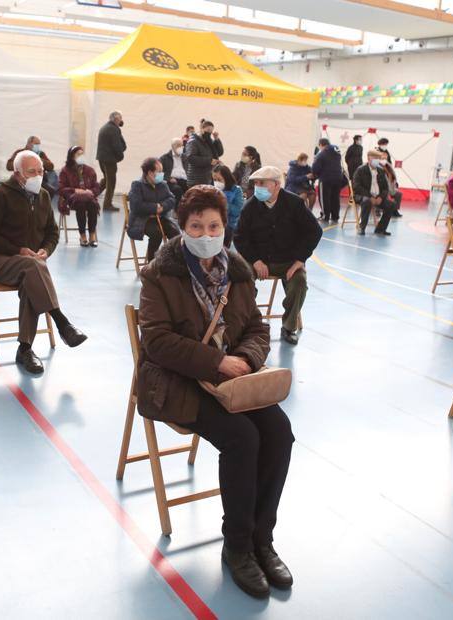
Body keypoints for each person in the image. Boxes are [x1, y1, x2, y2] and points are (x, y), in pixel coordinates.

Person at [137, 185, 295, 599]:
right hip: (179, 380)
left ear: (225, 227)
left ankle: (263, 539)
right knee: (243, 438)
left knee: (279, 431)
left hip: (233, 380)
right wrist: (216, 363)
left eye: (213, 226)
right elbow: (156, 341)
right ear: (182, 228)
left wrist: (243, 357)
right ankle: (238, 546)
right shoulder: (161, 273)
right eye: (196, 226)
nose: (205, 233)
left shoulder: (237, 271)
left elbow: (258, 328)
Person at [0, 150, 87, 374]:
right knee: (32, 268)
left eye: (41, 171)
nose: (38, 175)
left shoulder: (44, 196)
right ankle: (61, 321)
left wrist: (45, 251)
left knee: (33, 274)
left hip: (32, 265)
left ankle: (25, 349)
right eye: (32, 172)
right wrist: (18, 250)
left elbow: (52, 233)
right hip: (1, 259)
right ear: (18, 174)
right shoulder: (0, 194)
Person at [234, 166, 322, 344]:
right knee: (241, 280)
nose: (257, 187)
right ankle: (247, 323)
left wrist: (299, 260)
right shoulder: (250, 206)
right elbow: (240, 237)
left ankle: (289, 327)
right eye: (256, 183)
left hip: (287, 261)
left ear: (276, 185)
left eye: (261, 183)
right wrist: (256, 261)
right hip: (258, 260)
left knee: (299, 282)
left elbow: (314, 231)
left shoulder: (295, 203)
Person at [128, 157, 179, 262]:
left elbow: (171, 199)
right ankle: (151, 264)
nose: (162, 174)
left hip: (161, 217)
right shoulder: (137, 185)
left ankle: (175, 260)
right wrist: (155, 208)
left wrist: (163, 206)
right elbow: (136, 206)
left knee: (176, 233)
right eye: (159, 171)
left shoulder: (163, 184)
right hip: (143, 220)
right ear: (150, 173)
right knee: (157, 234)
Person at [57, 145, 102, 247]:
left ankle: (92, 235)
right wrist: (75, 190)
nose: (81, 156)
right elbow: (60, 188)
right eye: (78, 154)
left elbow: (97, 186)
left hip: (89, 197)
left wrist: (90, 192)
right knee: (81, 205)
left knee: (92, 205)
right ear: (72, 157)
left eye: (82, 154)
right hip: (73, 199)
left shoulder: (90, 170)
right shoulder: (65, 170)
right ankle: (82, 235)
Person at [351, 151, 399, 236]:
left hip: (377, 197)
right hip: (362, 196)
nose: (377, 160)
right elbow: (356, 187)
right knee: (367, 202)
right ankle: (362, 228)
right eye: (375, 158)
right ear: (369, 158)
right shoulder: (360, 170)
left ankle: (380, 229)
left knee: (391, 205)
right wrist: (370, 196)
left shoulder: (381, 171)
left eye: (378, 158)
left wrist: (380, 197)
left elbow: (385, 188)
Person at [96, 110, 127, 212]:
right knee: (111, 182)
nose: (121, 120)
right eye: (120, 118)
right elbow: (116, 145)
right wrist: (120, 156)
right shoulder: (113, 129)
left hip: (102, 158)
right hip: (109, 160)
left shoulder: (105, 127)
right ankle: (107, 204)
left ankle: (92, 195)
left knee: (106, 181)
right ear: (116, 119)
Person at [311, 138, 344, 222]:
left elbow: (315, 168)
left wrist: (315, 175)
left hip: (326, 178)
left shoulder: (321, 154)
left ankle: (325, 216)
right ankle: (335, 216)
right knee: (335, 197)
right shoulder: (336, 148)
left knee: (324, 198)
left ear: (321, 144)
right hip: (338, 177)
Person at [184, 119, 224, 187]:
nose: (209, 133)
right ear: (202, 129)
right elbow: (191, 158)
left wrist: (217, 140)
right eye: (208, 130)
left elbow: (219, 152)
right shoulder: (193, 141)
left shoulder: (208, 140)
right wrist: (209, 161)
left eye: (211, 131)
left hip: (208, 177)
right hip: (196, 179)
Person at [213, 164, 243, 247]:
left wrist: (223, 201)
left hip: (229, 224)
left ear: (226, 178)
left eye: (219, 180)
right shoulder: (212, 189)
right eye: (214, 179)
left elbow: (237, 211)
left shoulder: (236, 190)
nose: (216, 182)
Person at [159, 137, 189, 205]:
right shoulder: (165, 158)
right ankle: (177, 211)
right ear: (173, 146)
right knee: (177, 190)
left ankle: (187, 210)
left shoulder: (185, 157)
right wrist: (168, 178)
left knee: (191, 190)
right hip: (172, 181)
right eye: (178, 145)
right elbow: (159, 171)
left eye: (181, 145)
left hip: (185, 180)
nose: (180, 147)